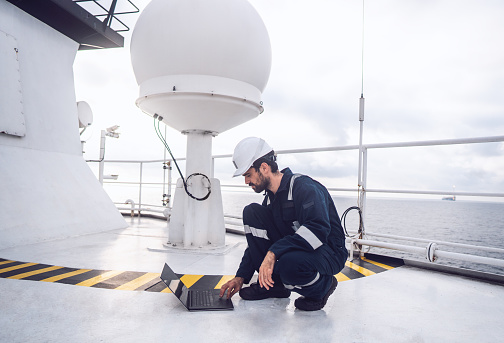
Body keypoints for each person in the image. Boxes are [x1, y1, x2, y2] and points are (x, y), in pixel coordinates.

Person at [219, 137, 348, 311]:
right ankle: (274, 286)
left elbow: (318, 230)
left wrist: (274, 251)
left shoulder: (303, 187)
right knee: (252, 212)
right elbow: (257, 243)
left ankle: (323, 287)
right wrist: (241, 277)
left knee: (289, 264)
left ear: (264, 168)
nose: (246, 182)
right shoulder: (271, 200)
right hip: (303, 248)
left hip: (329, 250)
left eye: (248, 175)